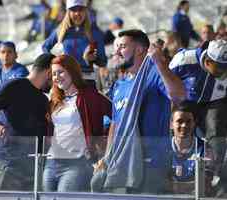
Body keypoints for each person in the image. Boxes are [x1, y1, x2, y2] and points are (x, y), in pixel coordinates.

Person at [94, 29, 185, 194]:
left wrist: (160, 64)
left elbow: (179, 95)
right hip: (122, 163)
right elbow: (115, 125)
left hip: (152, 163)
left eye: (122, 46)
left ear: (139, 49)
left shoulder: (155, 74)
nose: (116, 51)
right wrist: (108, 158)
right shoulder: (119, 85)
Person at [0, 53, 55, 190]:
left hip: (33, 165)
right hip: (10, 164)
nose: (55, 81)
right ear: (49, 73)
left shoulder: (43, 99)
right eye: (54, 75)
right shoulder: (14, 85)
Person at [43, 54, 111, 192]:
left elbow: (117, 115)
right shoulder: (55, 100)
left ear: (72, 71)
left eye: (61, 72)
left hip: (76, 164)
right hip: (51, 163)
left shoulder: (89, 95)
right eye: (54, 74)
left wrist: (103, 142)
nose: (57, 77)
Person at [169, 39, 227, 197]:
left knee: (216, 131)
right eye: (221, 68)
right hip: (185, 102)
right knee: (179, 127)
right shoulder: (184, 60)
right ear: (208, 61)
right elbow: (165, 82)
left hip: (213, 102)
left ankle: (216, 173)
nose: (225, 71)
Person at [42, 0, 107, 85]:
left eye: (81, 9)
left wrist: (93, 58)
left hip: (87, 82)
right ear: (68, 12)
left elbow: (103, 61)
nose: (77, 13)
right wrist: (55, 62)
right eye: (73, 10)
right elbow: (45, 47)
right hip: (65, 82)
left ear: (85, 11)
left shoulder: (94, 32)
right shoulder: (61, 30)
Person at [169, 102, 214, 195]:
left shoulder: (205, 148)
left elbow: (205, 184)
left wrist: (174, 186)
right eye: (179, 121)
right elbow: (158, 182)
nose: (184, 125)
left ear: (194, 123)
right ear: (171, 124)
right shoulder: (162, 148)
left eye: (188, 121)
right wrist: (192, 185)